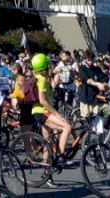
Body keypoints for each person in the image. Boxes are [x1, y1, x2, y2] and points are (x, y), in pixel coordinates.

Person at [31, 52, 72, 182]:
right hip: (42, 111)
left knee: (48, 142)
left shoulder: (38, 76)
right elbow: (42, 100)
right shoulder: (42, 79)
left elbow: (53, 86)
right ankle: (60, 156)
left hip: (38, 111)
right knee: (66, 127)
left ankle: (46, 174)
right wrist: (57, 113)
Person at [78, 51, 108, 118]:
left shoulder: (96, 69)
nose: (90, 62)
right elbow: (87, 80)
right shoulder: (82, 68)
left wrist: (105, 84)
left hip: (95, 98)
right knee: (86, 118)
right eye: (88, 60)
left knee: (96, 118)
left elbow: (103, 78)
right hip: (85, 97)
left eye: (92, 60)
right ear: (85, 59)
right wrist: (97, 84)